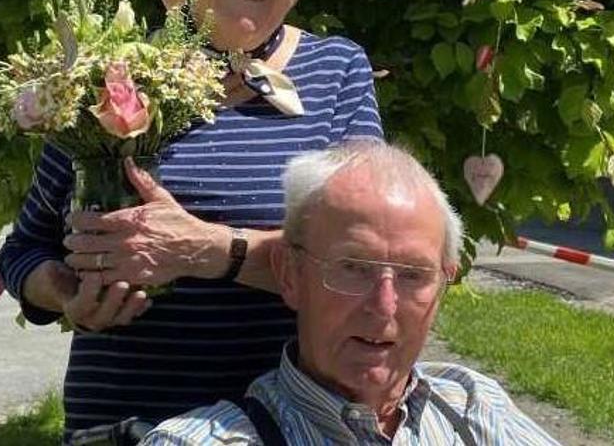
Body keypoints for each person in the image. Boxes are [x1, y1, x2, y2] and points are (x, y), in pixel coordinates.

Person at [0, 0, 383, 441]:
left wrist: (206, 249)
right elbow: (23, 250)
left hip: (285, 422)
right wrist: (69, 294)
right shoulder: (109, 73)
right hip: (124, 421)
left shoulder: (337, 70)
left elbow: (363, 261)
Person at [139, 142, 561, 445]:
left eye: (414, 275)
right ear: (290, 274)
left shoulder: (471, 404)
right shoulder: (205, 440)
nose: (384, 306)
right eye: (355, 269)